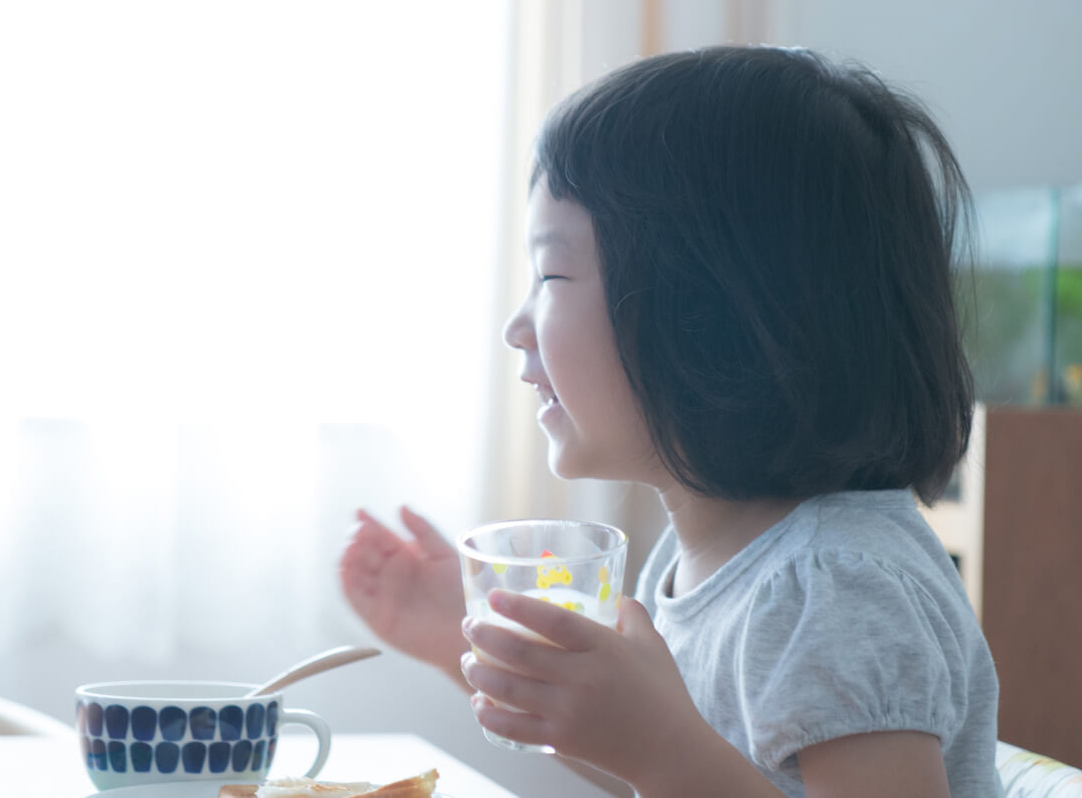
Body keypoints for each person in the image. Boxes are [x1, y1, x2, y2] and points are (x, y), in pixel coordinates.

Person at [339, 45, 999, 798]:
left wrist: (661, 746)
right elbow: (656, 769)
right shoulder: (696, 563)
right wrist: (491, 655)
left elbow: (671, 765)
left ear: (707, 313)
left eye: (552, 274)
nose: (516, 326)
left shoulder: (833, 585)